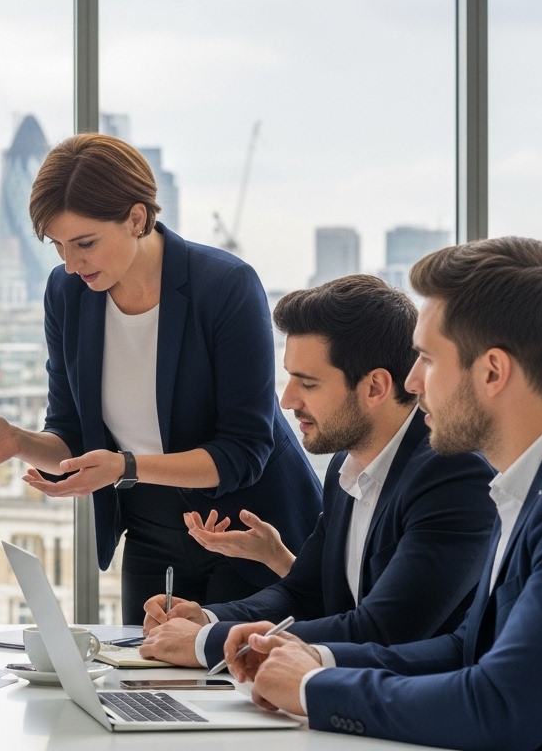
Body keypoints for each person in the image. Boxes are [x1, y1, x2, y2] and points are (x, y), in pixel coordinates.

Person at [232, 238, 542, 750]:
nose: (412, 380)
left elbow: (500, 708)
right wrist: (319, 658)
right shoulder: (538, 475)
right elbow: (467, 648)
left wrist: (314, 689)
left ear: (492, 371)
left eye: (426, 358)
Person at [0, 134, 321, 620]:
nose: (72, 264)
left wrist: (126, 467)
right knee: (140, 681)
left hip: (249, 527)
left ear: (137, 218)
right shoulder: (67, 292)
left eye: (85, 243)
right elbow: (72, 433)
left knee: (230, 685)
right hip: (151, 527)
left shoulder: (224, 286)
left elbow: (245, 451)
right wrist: (16, 442)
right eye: (59, 247)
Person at [137, 275, 496, 668]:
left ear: (375, 387)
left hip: (412, 708)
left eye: (307, 383)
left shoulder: (453, 474)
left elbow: (384, 630)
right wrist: (207, 617)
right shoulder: (346, 465)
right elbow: (302, 594)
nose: (288, 399)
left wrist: (206, 642)